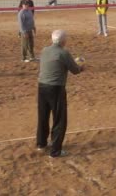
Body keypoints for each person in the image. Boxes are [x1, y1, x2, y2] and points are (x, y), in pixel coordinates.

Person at [36, 30, 84, 158]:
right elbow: (75, 70)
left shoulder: (45, 50)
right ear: (63, 41)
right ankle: (55, 150)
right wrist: (81, 66)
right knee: (59, 119)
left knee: (43, 116)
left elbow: (55, 62)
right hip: (55, 88)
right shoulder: (64, 52)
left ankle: (41, 143)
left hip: (42, 86)